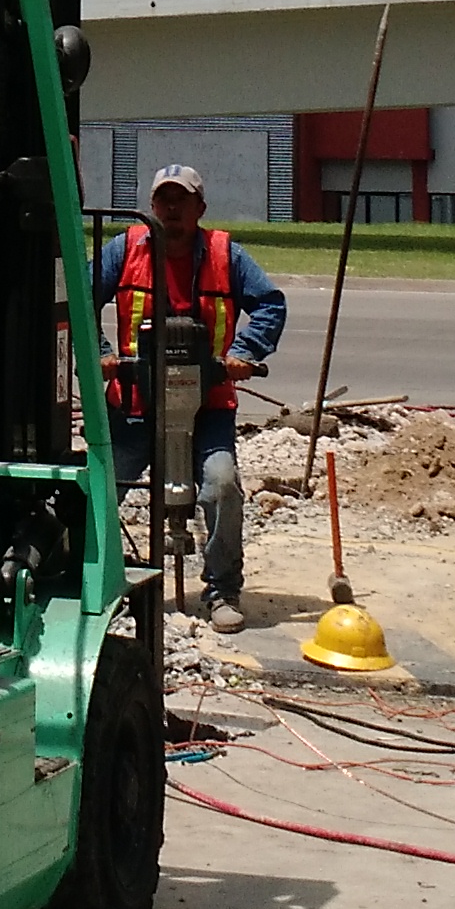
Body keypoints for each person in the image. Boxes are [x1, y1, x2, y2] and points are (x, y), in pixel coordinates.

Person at [95, 164, 285, 632]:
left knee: (221, 484)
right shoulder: (124, 250)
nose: (172, 210)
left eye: (182, 201)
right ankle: (97, 583)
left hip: (207, 407)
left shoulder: (227, 256)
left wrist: (244, 353)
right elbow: (77, 295)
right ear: (151, 206)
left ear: (200, 208)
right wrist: (100, 353)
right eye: (164, 200)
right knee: (100, 489)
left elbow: (270, 303)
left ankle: (222, 590)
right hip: (135, 404)